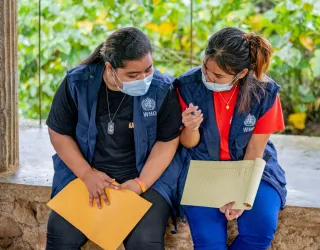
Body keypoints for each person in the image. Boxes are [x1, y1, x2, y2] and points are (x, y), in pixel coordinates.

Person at [46, 27, 183, 250]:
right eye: (133, 75)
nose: (144, 79)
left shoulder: (162, 89)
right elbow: (58, 132)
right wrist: (87, 174)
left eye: (149, 70)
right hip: (87, 174)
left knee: (145, 242)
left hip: (145, 176)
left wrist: (140, 184)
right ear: (109, 68)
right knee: (61, 237)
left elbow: (167, 141)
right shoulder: (77, 83)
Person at [175, 27, 287, 250]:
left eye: (218, 76)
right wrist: (190, 128)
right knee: (209, 243)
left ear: (242, 74)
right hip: (203, 169)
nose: (208, 77)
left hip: (252, 167)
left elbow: (255, 149)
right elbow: (188, 144)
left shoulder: (264, 92)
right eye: (206, 69)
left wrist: (239, 194)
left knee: (260, 231)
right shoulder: (186, 86)